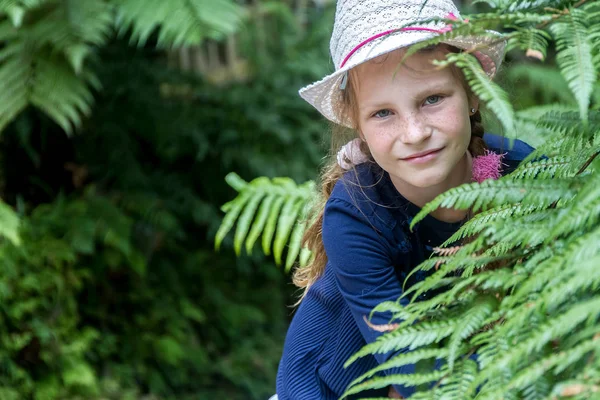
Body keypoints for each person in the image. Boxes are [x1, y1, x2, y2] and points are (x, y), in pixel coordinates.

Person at [274, 0, 534, 398]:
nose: (414, 133)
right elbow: (411, 367)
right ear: (357, 124)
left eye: (432, 99)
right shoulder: (356, 214)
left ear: (472, 93)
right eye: (382, 113)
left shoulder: (528, 173)